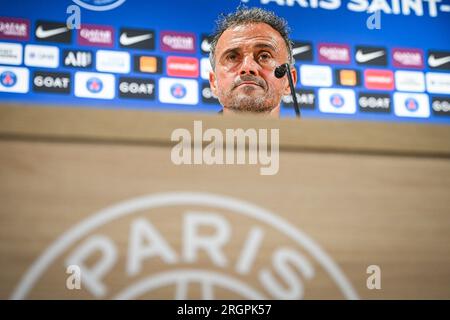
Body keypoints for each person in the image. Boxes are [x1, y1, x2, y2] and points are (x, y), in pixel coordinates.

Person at [208, 7, 297, 117]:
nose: (247, 68)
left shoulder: (312, 135)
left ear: (289, 81)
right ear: (213, 82)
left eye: (264, 56)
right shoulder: (190, 134)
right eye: (232, 57)